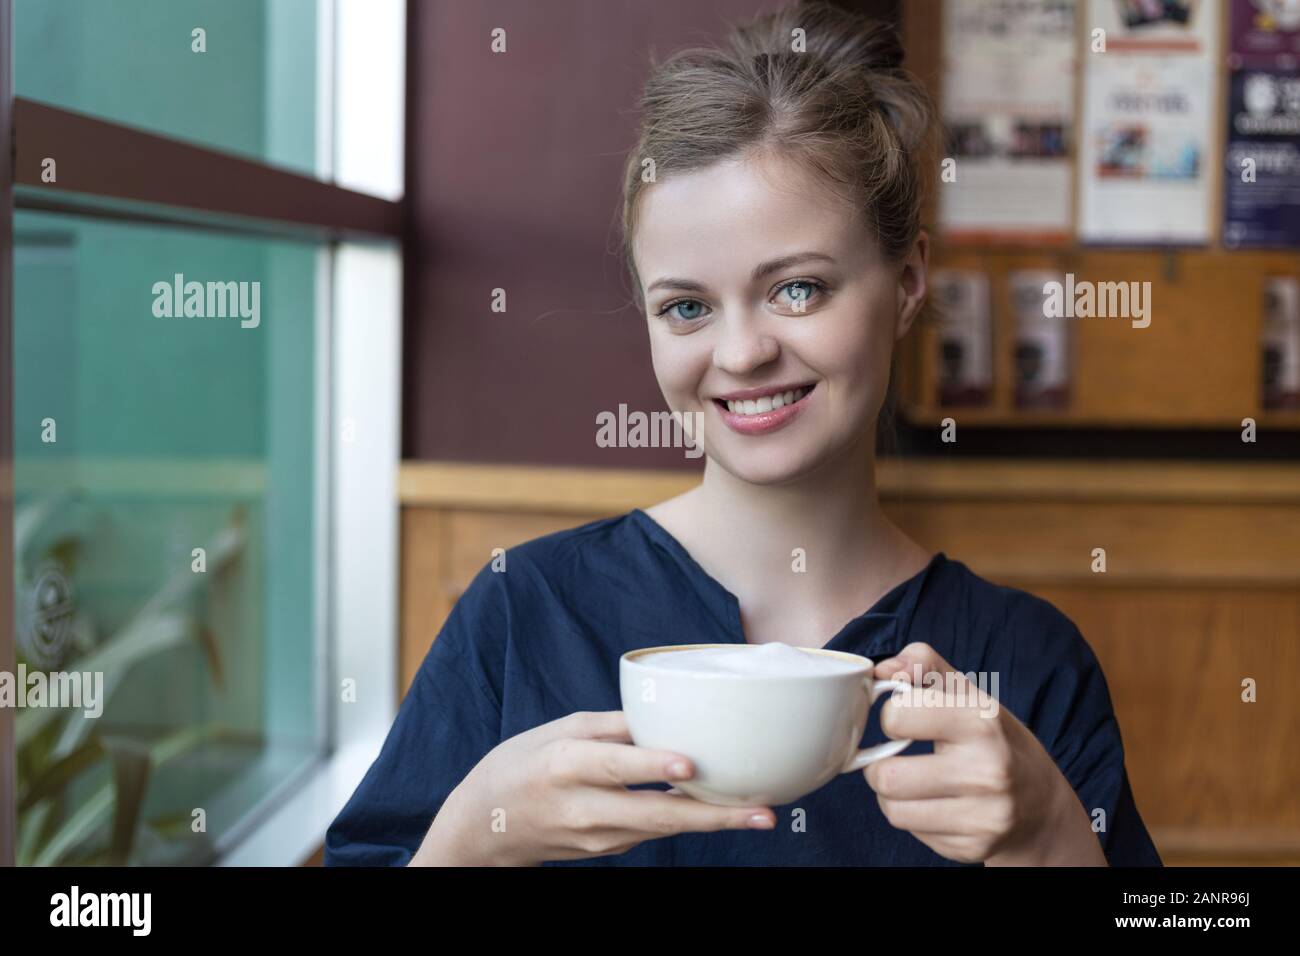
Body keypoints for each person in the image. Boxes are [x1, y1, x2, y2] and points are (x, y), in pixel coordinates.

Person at [325, 2, 1162, 867]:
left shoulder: (1027, 659)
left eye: (797, 290)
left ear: (908, 280)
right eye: (687, 307)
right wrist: (469, 836)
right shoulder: (523, 612)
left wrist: (1052, 833)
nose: (742, 352)